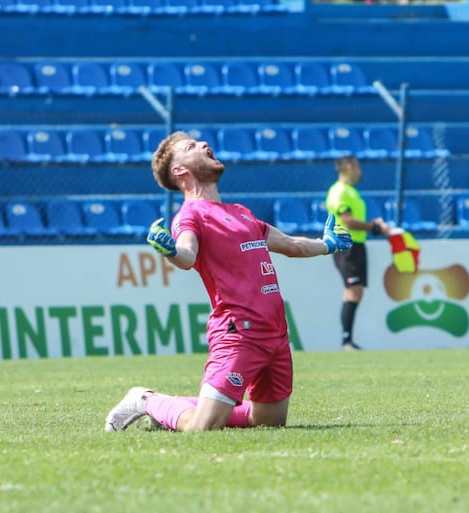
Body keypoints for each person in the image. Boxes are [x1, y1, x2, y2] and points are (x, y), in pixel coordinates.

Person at [104, 130, 353, 433]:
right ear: (179, 170)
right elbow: (187, 255)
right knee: (202, 428)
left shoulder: (240, 213)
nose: (204, 144)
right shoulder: (190, 215)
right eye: (191, 146)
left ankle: (186, 405)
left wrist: (326, 243)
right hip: (239, 333)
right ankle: (146, 400)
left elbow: (290, 244)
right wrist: (170, 251)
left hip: (275, 333)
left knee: (268, 421)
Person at [326, 156, 390, 351]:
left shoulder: (351, 192)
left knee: (355, 291)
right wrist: (375, 227)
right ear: (349, 167)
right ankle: (346, 341)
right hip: (346, 246)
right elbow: (348, 221)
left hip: (357, 244)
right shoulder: (339, 192)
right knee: (353, 289)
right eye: (358, 167)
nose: (360, 171)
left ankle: (347, 340)